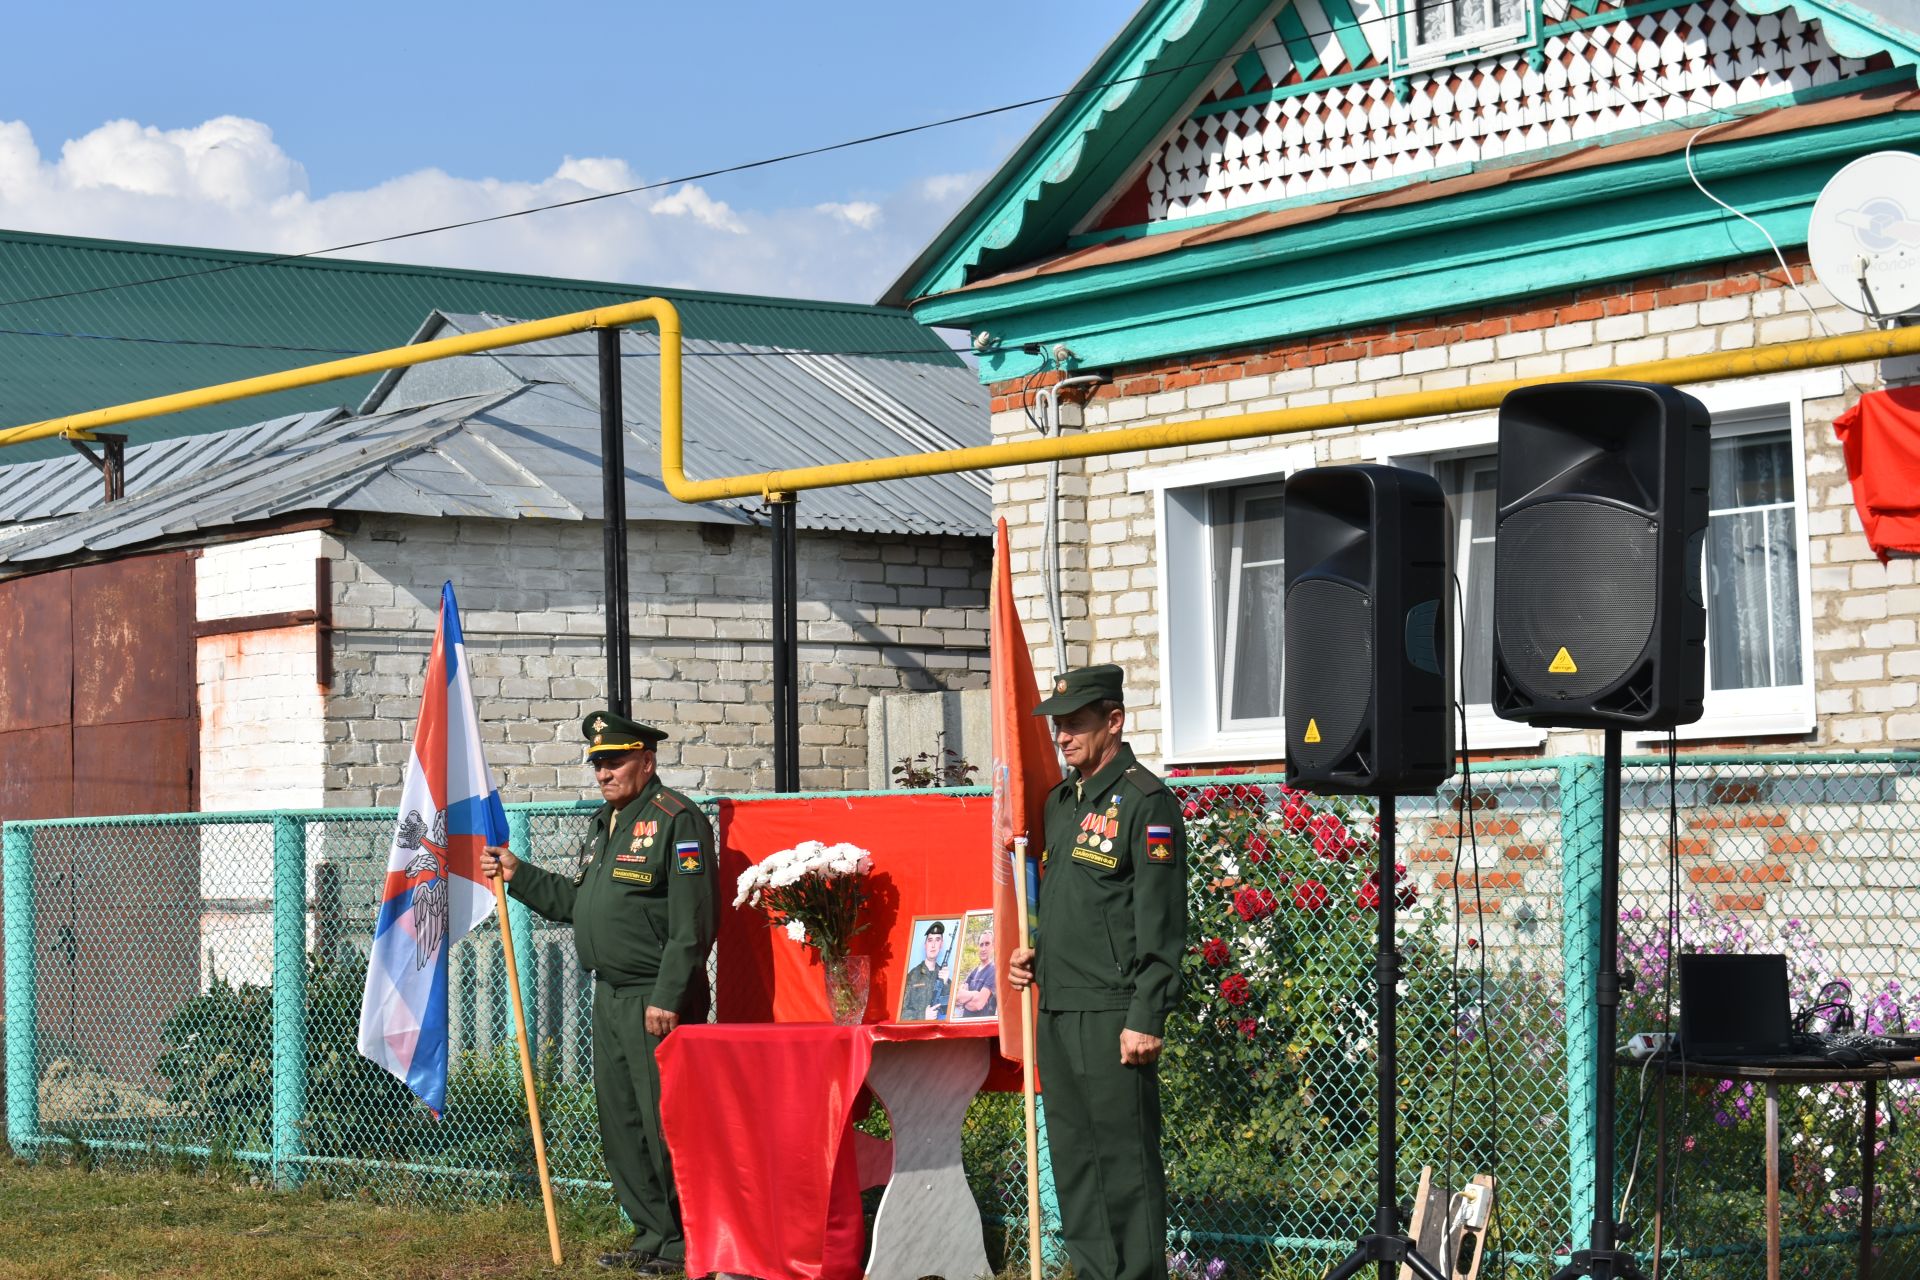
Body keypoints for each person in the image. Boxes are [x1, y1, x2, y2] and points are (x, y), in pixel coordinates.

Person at [481, 710, 717, 1275]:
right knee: (622, 1122)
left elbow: (693, 923)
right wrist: (519, 873)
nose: (604, 774)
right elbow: (577, 904)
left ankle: (686, 1241)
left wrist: (668, 994)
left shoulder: (676, 819)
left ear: (647, 760)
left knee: (666, 1123)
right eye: (598, 764)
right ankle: (650, 1233)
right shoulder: (603, 823)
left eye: (615, 761)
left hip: (655, 1000)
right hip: (609, 996)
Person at [1008, 664, 1186, 1280]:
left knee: (1125, 1166)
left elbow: (1160, 922)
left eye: (1076, 723)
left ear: (1114, 721)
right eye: (1059, 725)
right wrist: (1031, 950)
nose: (1062, 736)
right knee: (1076, 1164)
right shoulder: (1060, 803)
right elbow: (1066, 902)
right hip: (1057, 1007)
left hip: (1114, 1012)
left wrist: (1146, 1014)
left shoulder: (1145, 801)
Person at [898, 919, 952, 1020]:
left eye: (937, 940)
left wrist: (945, 984)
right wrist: (923, 1015)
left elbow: (950, 1011)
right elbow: (900, 1013)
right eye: (930, 940)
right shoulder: (912, 976)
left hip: (938, 1033)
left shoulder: (945, 977)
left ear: (941, 944)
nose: (933, 945)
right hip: (916, 1033)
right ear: (925, 944)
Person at [953, 927, 996, 1019]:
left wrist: (965, 1000)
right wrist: (975, 994)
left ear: (994, 946)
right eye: (981, 945)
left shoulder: (994, 970)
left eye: (987, 944)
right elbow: (957, 997)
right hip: (965, 1025)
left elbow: (978, 1004)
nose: (983, 948)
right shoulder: (974, 971)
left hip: (982, 1028)